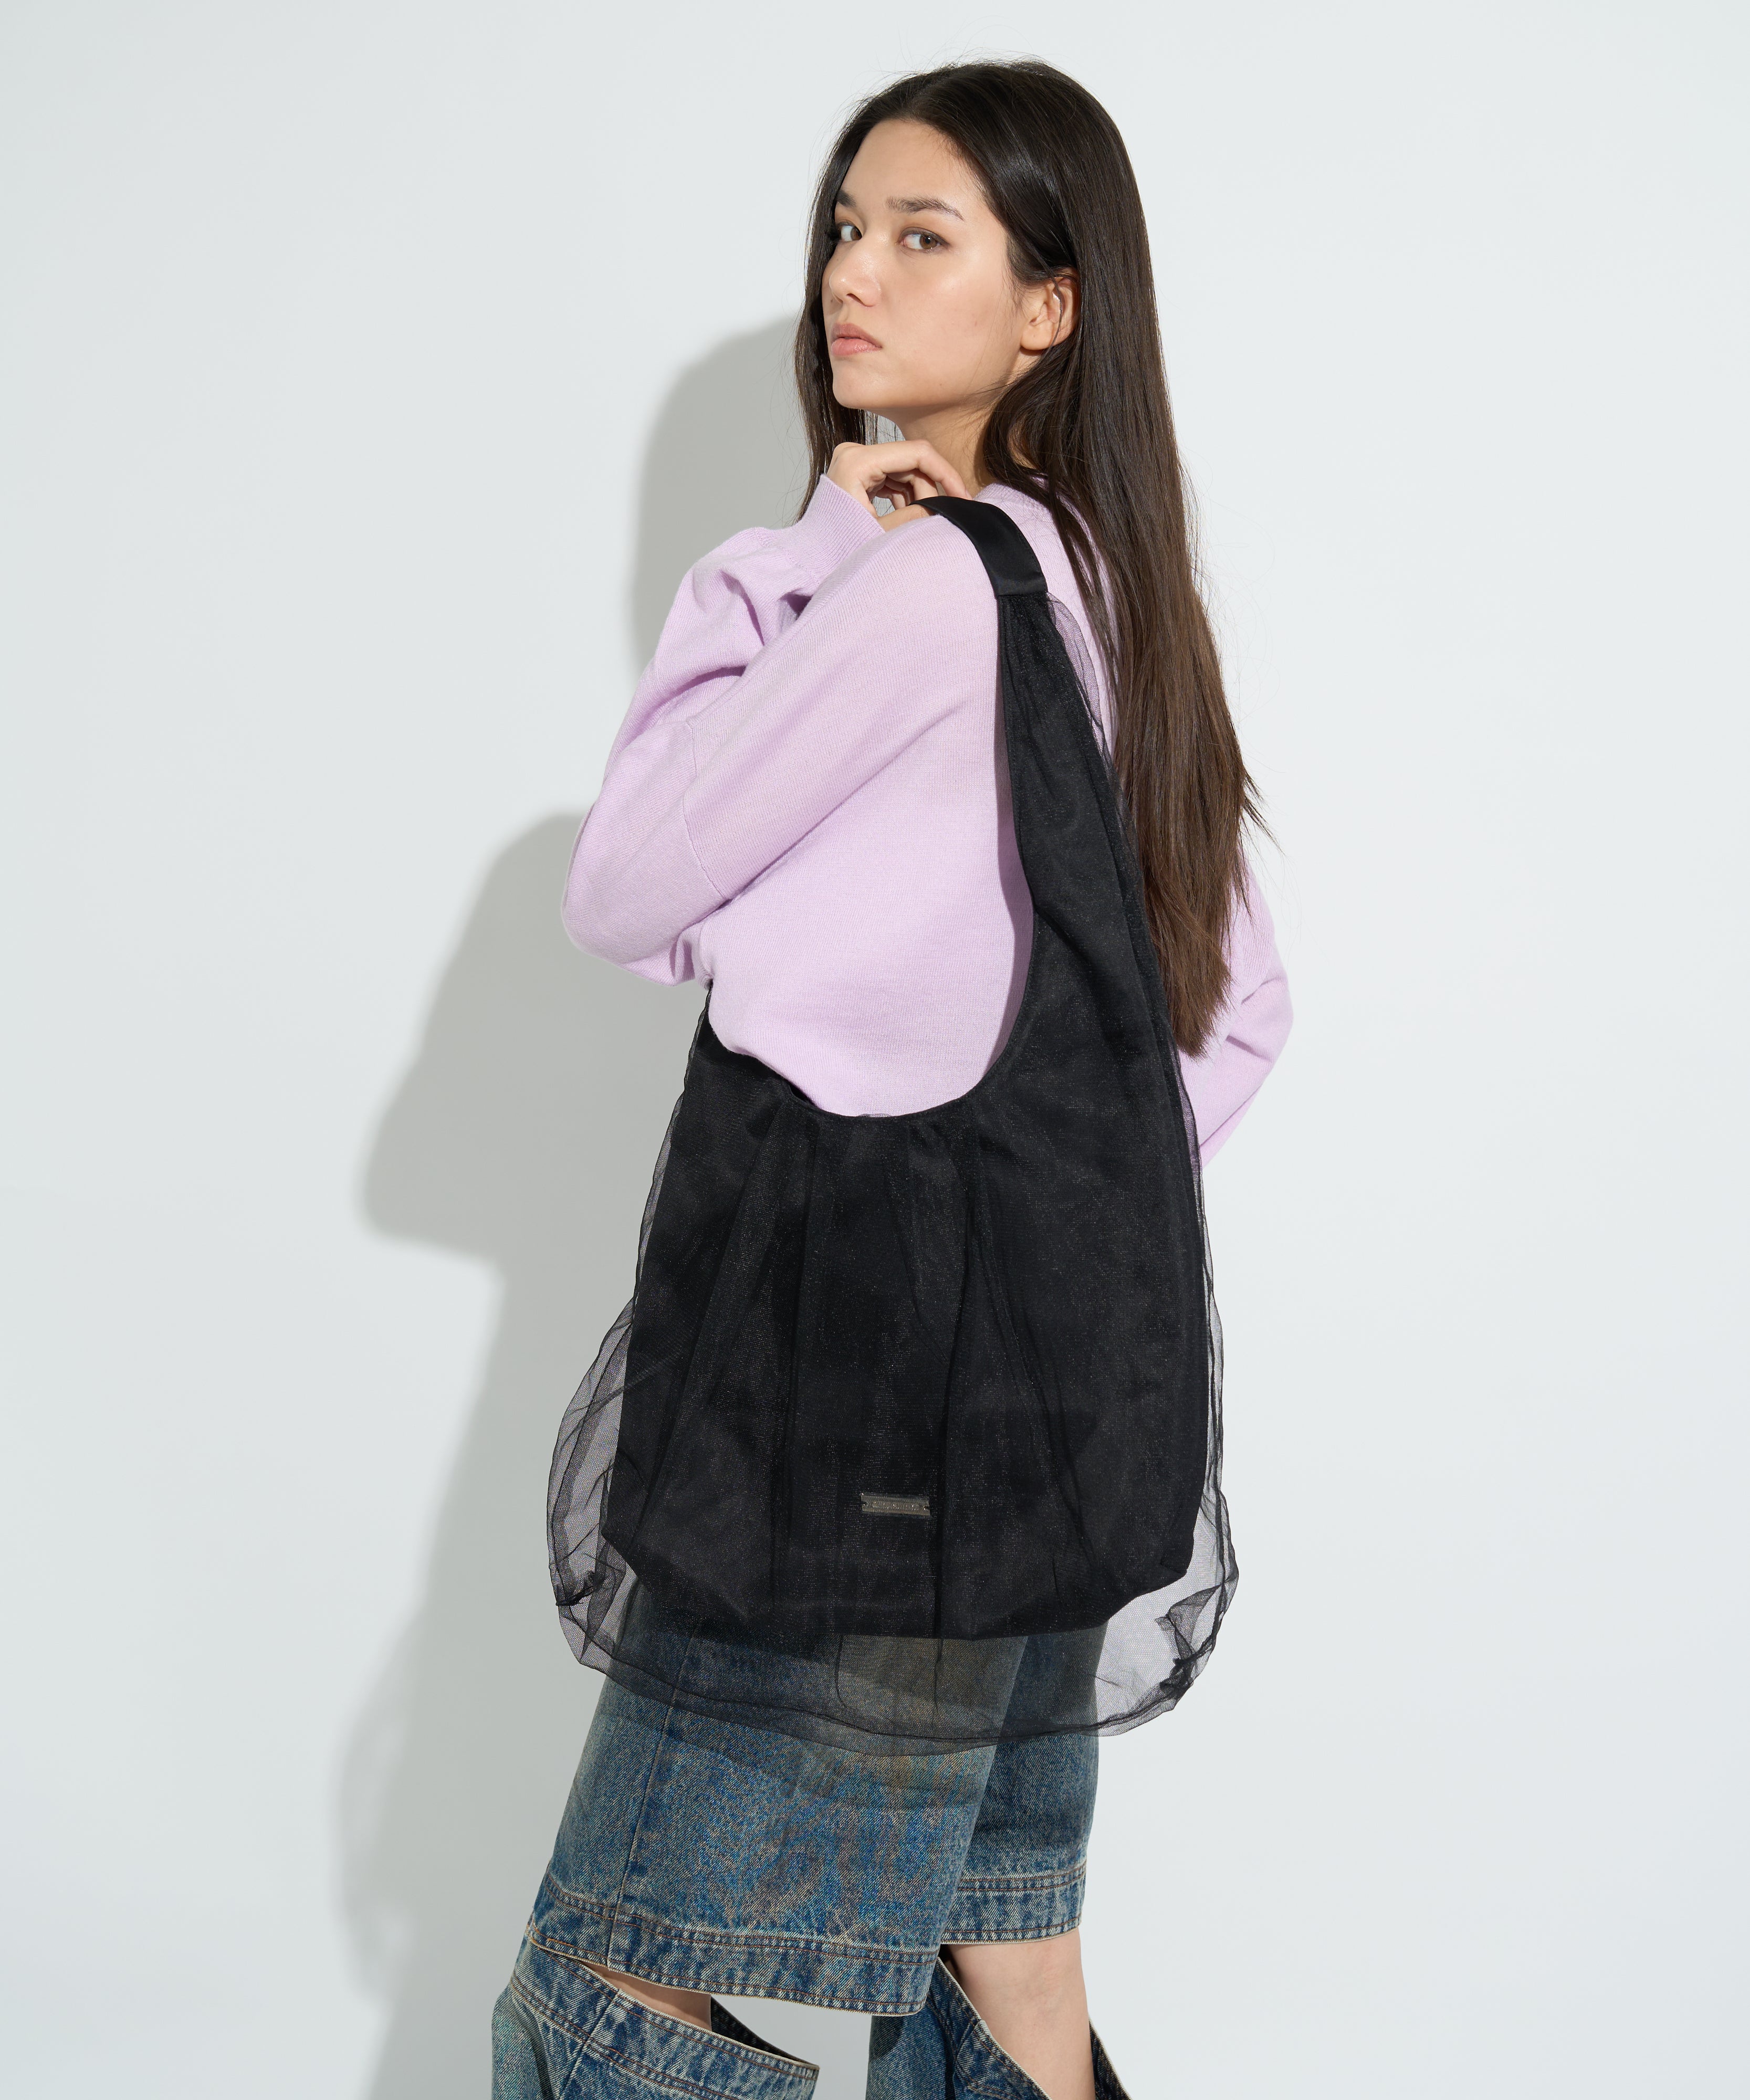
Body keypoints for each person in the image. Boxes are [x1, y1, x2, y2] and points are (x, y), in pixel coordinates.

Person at [492, 58, 1292, 2100]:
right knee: (1009, 1980)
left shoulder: (923, 588)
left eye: (923, 236)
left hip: (852, 1415)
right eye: (845, 228)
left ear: (1050, 306)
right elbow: (1236, 1008)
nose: (853, 274)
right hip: (1054, 1424)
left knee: (609, 1998)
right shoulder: (1117, 587)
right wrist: (1050, 1224)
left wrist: (779, 564)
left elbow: (626, 882)